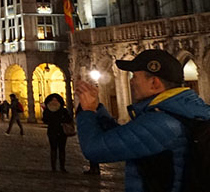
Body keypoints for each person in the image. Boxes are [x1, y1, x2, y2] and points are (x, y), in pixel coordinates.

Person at [74, 49, 210, 192]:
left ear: (154, 83)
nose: (131, 82)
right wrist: (98, 109)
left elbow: (94, 149)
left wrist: (87, 111)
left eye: (135, 76)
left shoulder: (162, 122)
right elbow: (126, 138)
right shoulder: (190, 109)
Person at [40, 93, 73, 172]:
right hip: (57, 131)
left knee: (57, 149)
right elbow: (68, 119)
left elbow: (45, 120)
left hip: (55, 131)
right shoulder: (62, 110)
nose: (54, 102)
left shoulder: (48, 110)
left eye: (55, 100)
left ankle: (56, 167)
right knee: (57, 149)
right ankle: (59, 167)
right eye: (53, 100)